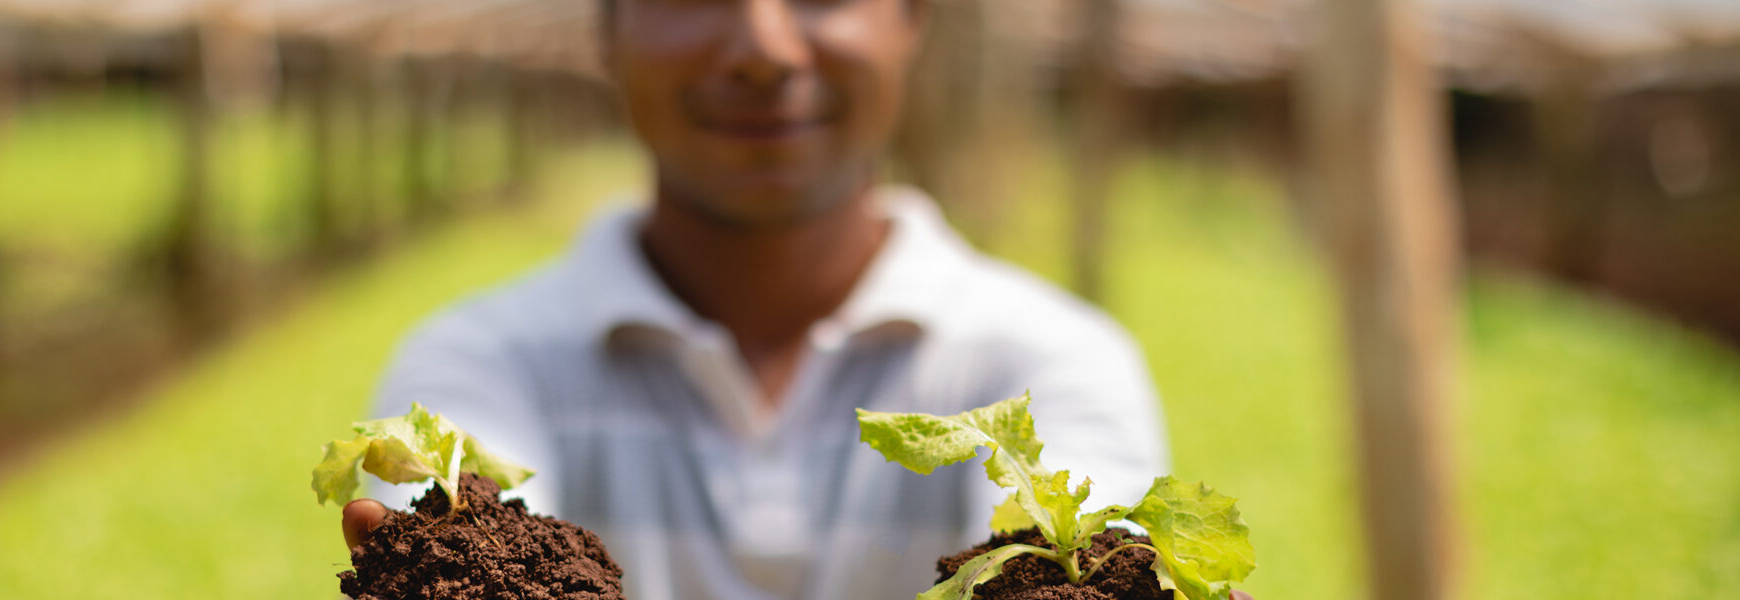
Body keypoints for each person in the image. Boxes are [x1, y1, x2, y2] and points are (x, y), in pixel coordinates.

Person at [341, 0, 1252, 598]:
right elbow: (451, 496)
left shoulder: (1050, 361)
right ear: (605, 31)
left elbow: (1099, 548)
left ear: (911, 21)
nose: (765, 49)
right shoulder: (480, 361)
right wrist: (456, 542)